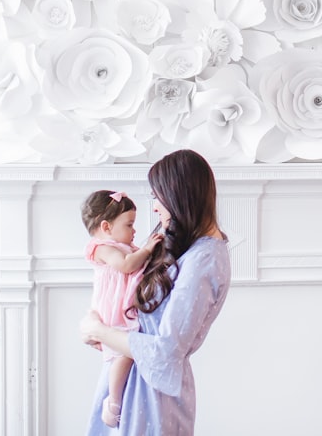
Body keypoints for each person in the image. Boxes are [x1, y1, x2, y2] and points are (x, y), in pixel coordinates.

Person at [80, 149, 231, 435]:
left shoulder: (205, 260)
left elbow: (165, 351)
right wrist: (103, 332)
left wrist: (100, 330)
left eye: (157, 197)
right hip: (134, 387)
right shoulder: (191, 249)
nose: (155, 208)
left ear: (179, 195)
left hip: (151, 398)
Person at [81, 190, 164, 428]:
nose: (134, 231)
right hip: (111, 308)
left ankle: (115, 398)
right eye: (129, 224)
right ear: (106, 227)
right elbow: (126, 266)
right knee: (124, 353)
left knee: (126, 353)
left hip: (122, 305)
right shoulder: (101, 247)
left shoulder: (121, 245)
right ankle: (113, 401)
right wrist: (147, 249)